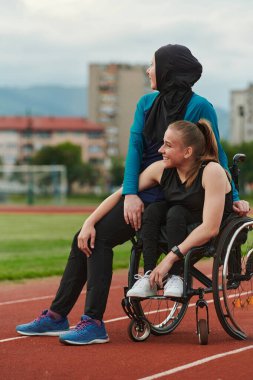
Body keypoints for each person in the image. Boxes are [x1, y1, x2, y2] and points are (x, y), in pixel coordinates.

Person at [16, 44, 249, 346]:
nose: (148, 70)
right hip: (146, 187)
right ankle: (59, 316)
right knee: (86, 236)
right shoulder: (145, 104)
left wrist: (235, 197)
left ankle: (91, 322)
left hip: (177, 193)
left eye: (152, 65)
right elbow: (134, 150)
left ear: (168, 71)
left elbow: (213, 154)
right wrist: (129, 194)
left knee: (102, 236)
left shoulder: (200, 107)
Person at [126, 119, 237, 298]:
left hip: (205, 227)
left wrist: (169, 260)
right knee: (155, 210)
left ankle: (176, 277)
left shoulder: (212, 171)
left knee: (175, 212)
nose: (160, 150)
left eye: (167, 145)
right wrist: (90, 222)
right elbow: (124, 190)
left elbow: (210, 228)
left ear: (187, 152)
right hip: (178, 221)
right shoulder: (161, 169)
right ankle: (148, 276)